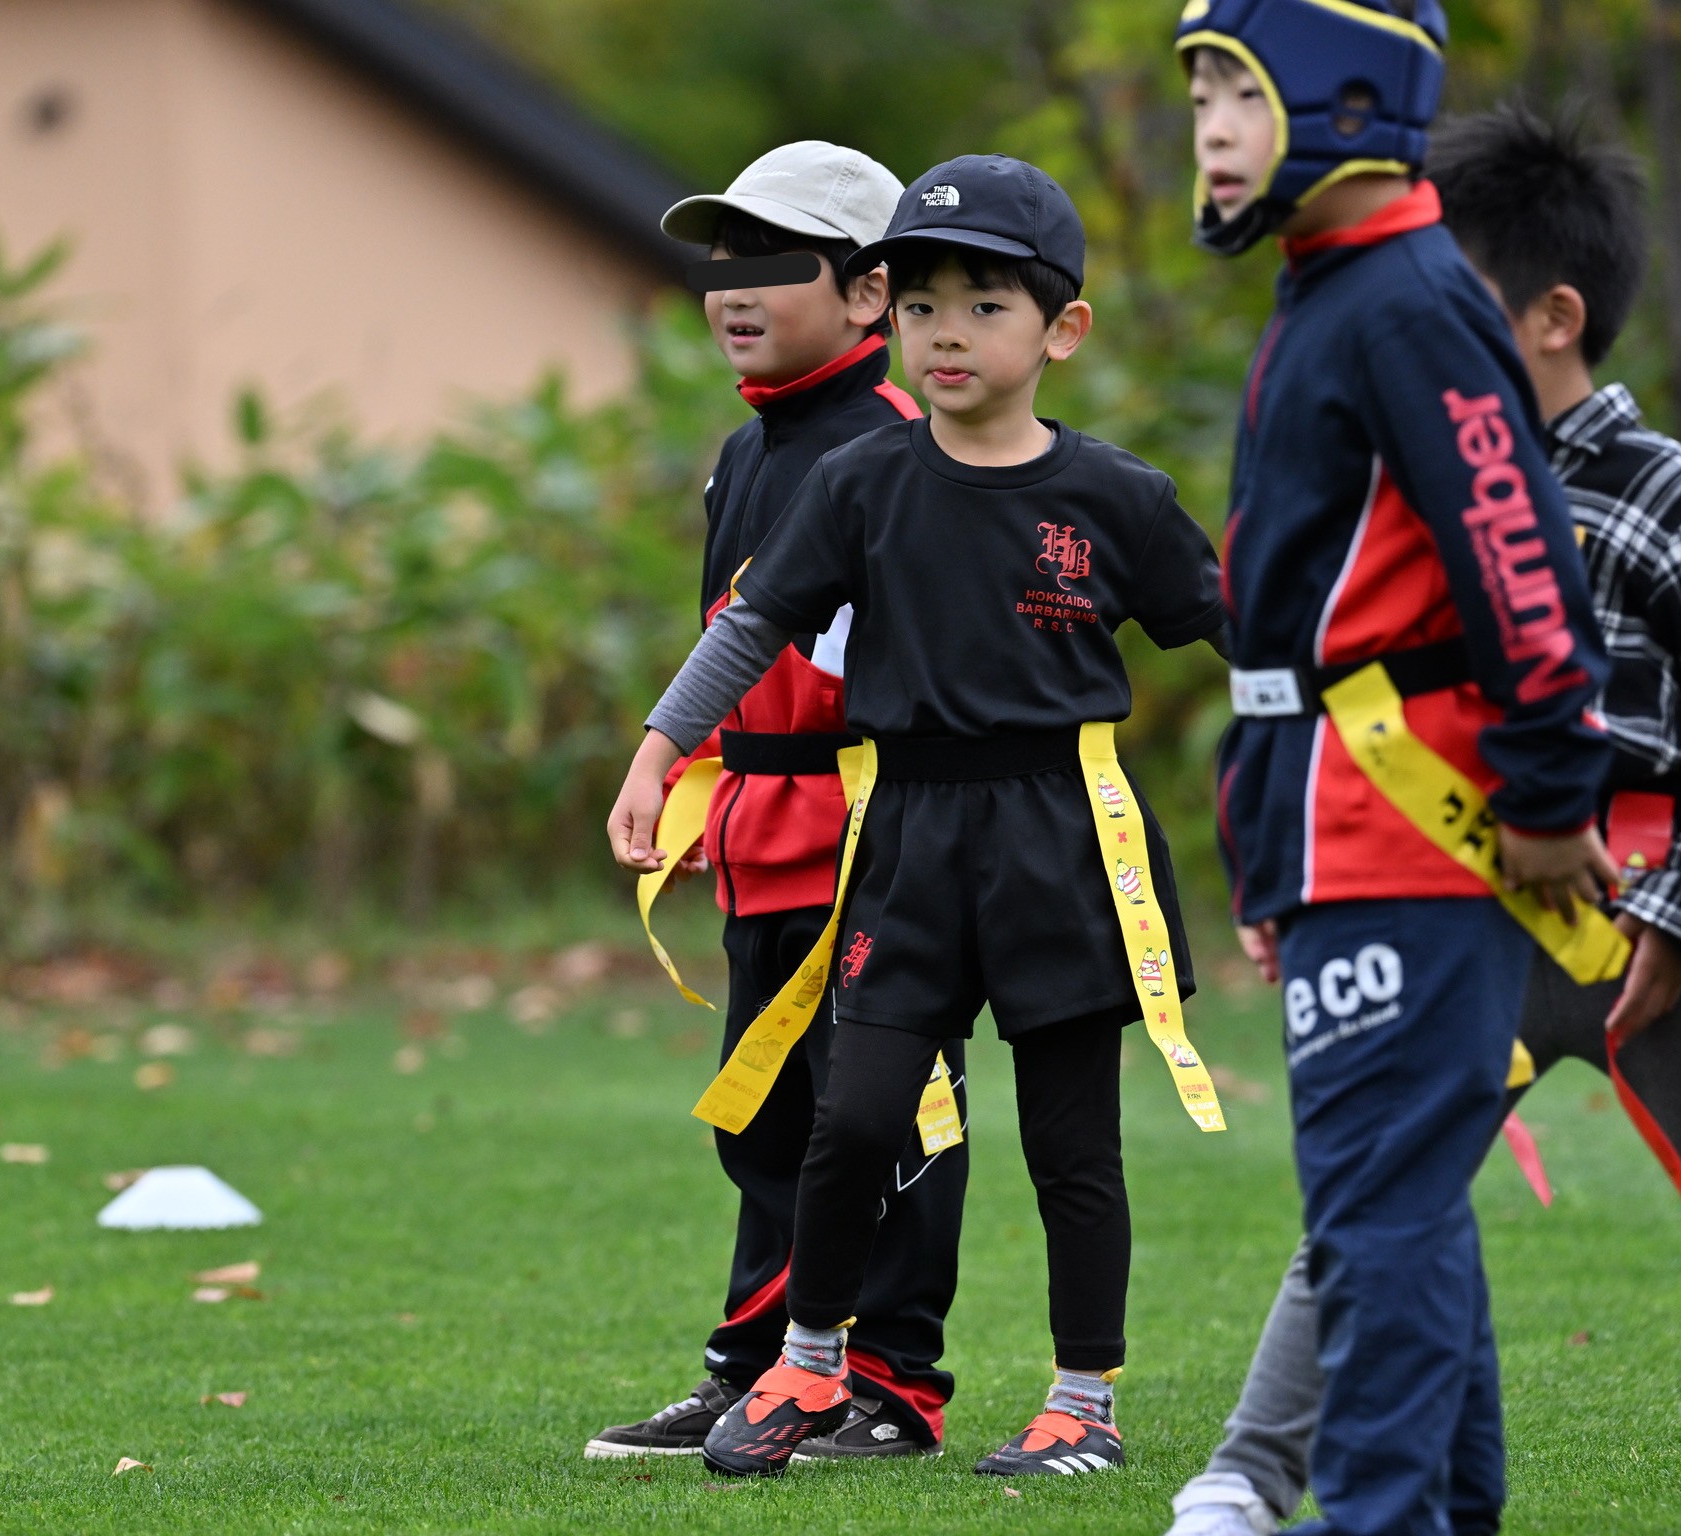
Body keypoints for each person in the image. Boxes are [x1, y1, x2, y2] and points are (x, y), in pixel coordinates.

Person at [1166, 106, 1681, 1536]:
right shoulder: (1397, 486)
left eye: (1458, 297)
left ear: (1554, 318)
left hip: (1644, 932)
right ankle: (1248, 1476)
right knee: (1380, 1195)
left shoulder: (1668, 490)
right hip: (1444, 910)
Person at [607, 153, 1229, 1478]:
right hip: (903, 841)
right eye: (926, 305)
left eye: (986, 306)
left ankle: (1082, 1405)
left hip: (1064, 838)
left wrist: (1331, 738)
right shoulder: (862, 482)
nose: (949, 332)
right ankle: (809, 1370)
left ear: (1063, 328)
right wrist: (658, 752)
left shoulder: (1117, 496)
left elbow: (1241, 631)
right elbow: (753, 626)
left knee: (1072, 1146)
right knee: (858, 1118)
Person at [1174, 4, 1623, 1532]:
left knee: (1380, 1211)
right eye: (1198, 93)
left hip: (1408, 830)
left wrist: (1550, 792)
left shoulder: (1410, 302)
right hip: (1329, 831)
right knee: (1396, 1205)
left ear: (1349, 96)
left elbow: (1521, 561)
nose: (1209, 125)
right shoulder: (1329, 287)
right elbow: (1287, 630)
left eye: (1238, 89)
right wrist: (1267, 856)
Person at [585, 141, 970, 1464]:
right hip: (767, 837)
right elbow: (739, 643)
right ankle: (755, 1369)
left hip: (885, 840)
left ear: (870, 294)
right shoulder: (745, 453)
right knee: (766, 1118)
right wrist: (683, 771)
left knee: (894, 1113)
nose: (735, 290)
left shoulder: (907, 449)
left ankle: (891, 1386)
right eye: (721, 263)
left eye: (774, 261)